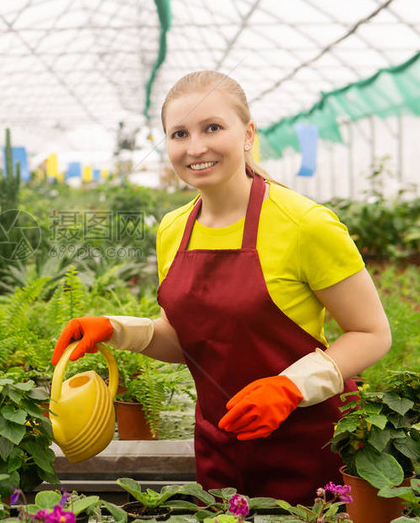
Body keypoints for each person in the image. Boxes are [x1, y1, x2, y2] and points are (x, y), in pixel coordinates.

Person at [50, 70, 391, 504]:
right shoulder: (174, 228)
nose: (195, 147)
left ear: (247, 134)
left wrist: (290, 387)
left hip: (308, 446)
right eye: (179, 133)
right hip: (219, 445)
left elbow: (372, 333)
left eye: (212, 127)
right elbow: (187, 340)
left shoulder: (304, 224)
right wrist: (117, 329)